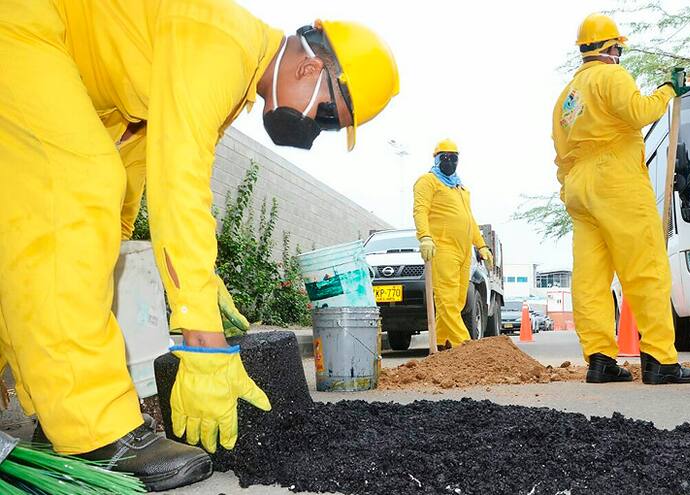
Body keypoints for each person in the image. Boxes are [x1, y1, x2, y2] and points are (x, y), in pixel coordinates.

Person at [0, 0, 399, 490]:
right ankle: (92, 431)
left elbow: (135, 176)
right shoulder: (220, 43)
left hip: (60, 62)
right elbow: (179, 186)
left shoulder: (230, 66)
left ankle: (54, 403)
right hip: (23, 25)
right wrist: (203, 341)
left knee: (61, 221)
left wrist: (201, 287)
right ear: (311, 67)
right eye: (327, 117)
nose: (316, 130)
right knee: (79, 181)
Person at [551, 13, 690, 385]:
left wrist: (570, 185)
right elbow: (638, 112)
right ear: (611, 48)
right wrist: (669, 90)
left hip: (579, 187)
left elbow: (560, 152)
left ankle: (600, 361)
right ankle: (660, 361)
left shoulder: (567, 97)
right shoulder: (612, 75)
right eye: (618, 47)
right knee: (645, 267)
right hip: (616, 180)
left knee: (591, 278)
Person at [413, 139, 494, 350]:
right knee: (447, 299)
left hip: (464, 251)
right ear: (437, 159)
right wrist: (425, 237)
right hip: (443, 248)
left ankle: (441, 343)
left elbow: (470, 219)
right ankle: (464, 346)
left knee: (456, 301)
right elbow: (420, 210)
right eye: (445, 157)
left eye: (454, 158)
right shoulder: (427, 181)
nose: (450, 161)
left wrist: (482, 245)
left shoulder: (460, 188)